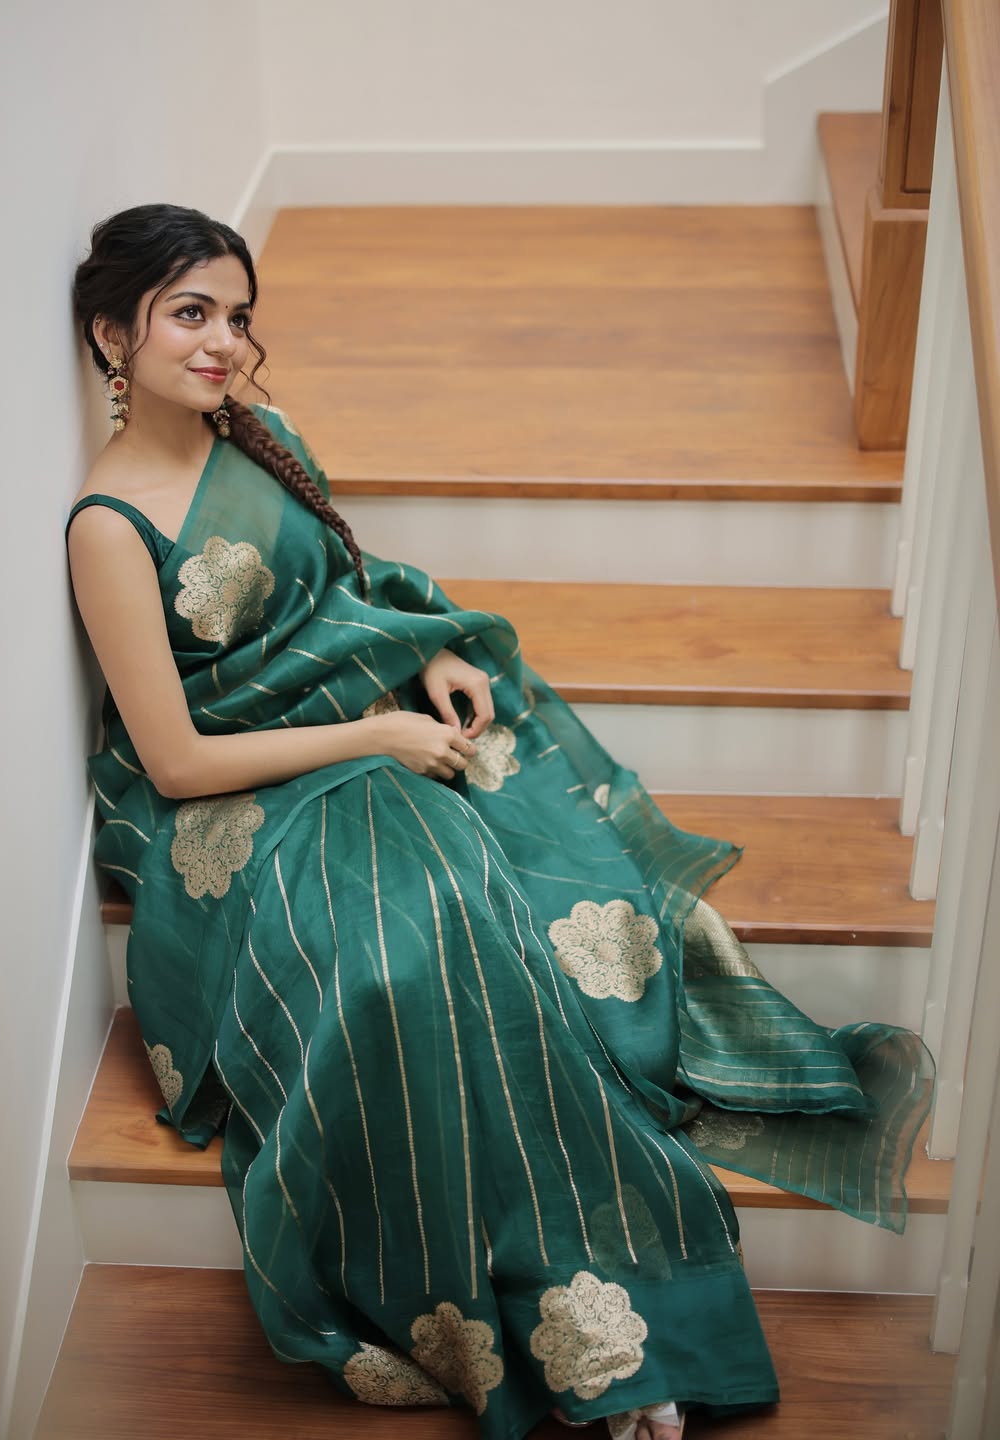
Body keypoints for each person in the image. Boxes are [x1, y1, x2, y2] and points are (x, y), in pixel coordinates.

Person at [66, 203, 932, 1440]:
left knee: (489, 914)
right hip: (243, 801)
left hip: (363, 729)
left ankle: (617, 1308)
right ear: (113, 334)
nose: (222, 343)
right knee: (403, 962)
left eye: (238, 315)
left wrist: (421, 666)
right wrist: (379, 735)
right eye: (189, 314)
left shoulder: (253, 434)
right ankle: (547, 1316)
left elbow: (352, 589)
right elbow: (178, 757)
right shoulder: (109, 528)